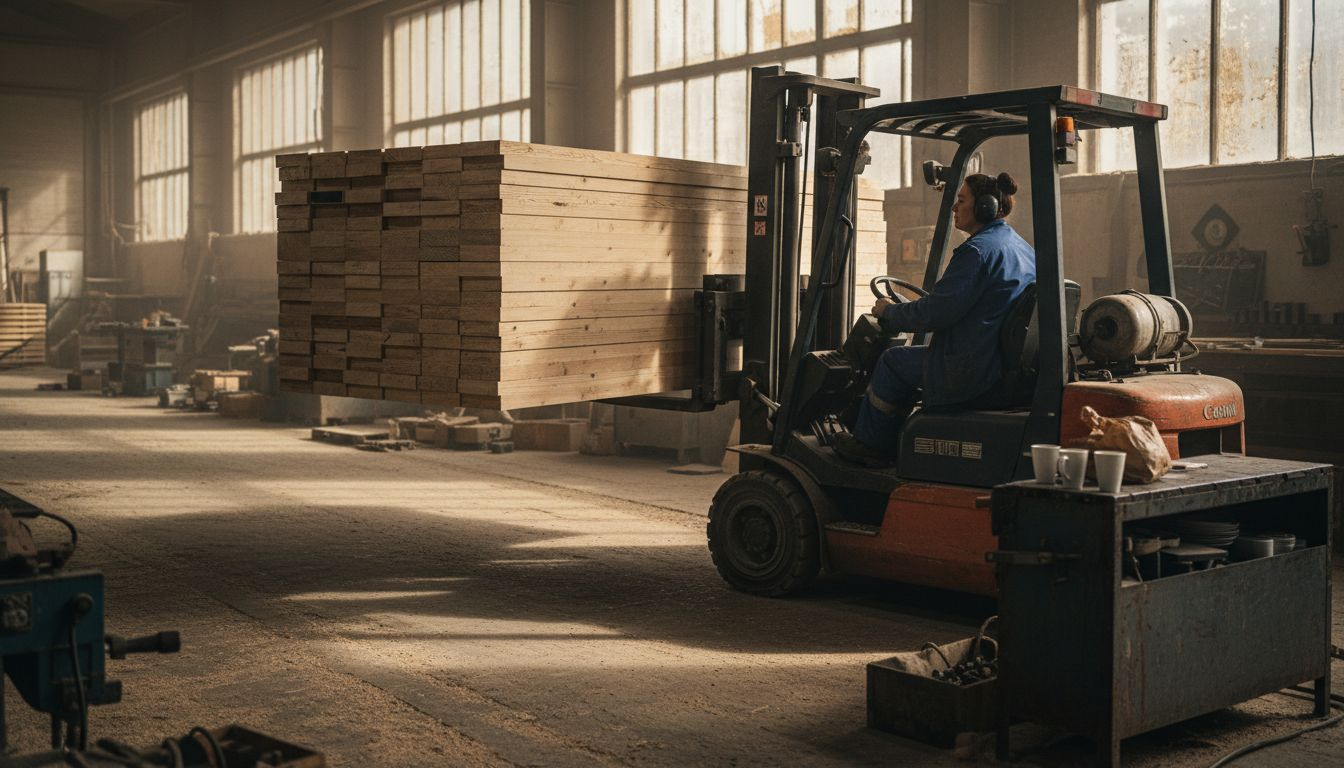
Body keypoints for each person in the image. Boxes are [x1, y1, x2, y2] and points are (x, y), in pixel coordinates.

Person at [833, 171, 1037, 467]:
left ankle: (870, 445)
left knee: (892, 362)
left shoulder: (977, 253)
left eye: (961, 200)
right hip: (998, 364)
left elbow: (935, 313)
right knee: (908, 360)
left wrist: (889, 312)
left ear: (985, 208)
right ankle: (893, 435)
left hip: (970, 370)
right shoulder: (1022, 249)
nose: (955, 207)